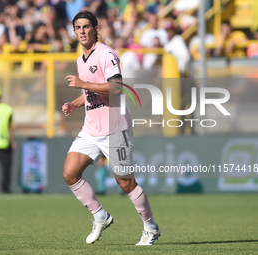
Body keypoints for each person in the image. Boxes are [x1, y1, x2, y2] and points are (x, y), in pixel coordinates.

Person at [62, 10, 160, 246]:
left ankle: (150, 227)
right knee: (70, 173)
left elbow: (116, 87)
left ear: (95, 29)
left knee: (125, 182)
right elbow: (90, 92)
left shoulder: (107, 53)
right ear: (74, 31)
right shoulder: (80, 59)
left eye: (86, 26)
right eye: (78, 27)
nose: (82, 31)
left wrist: (83, 84)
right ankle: (100, 216)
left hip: (115, 127)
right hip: (91, 127)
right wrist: (75, 104)